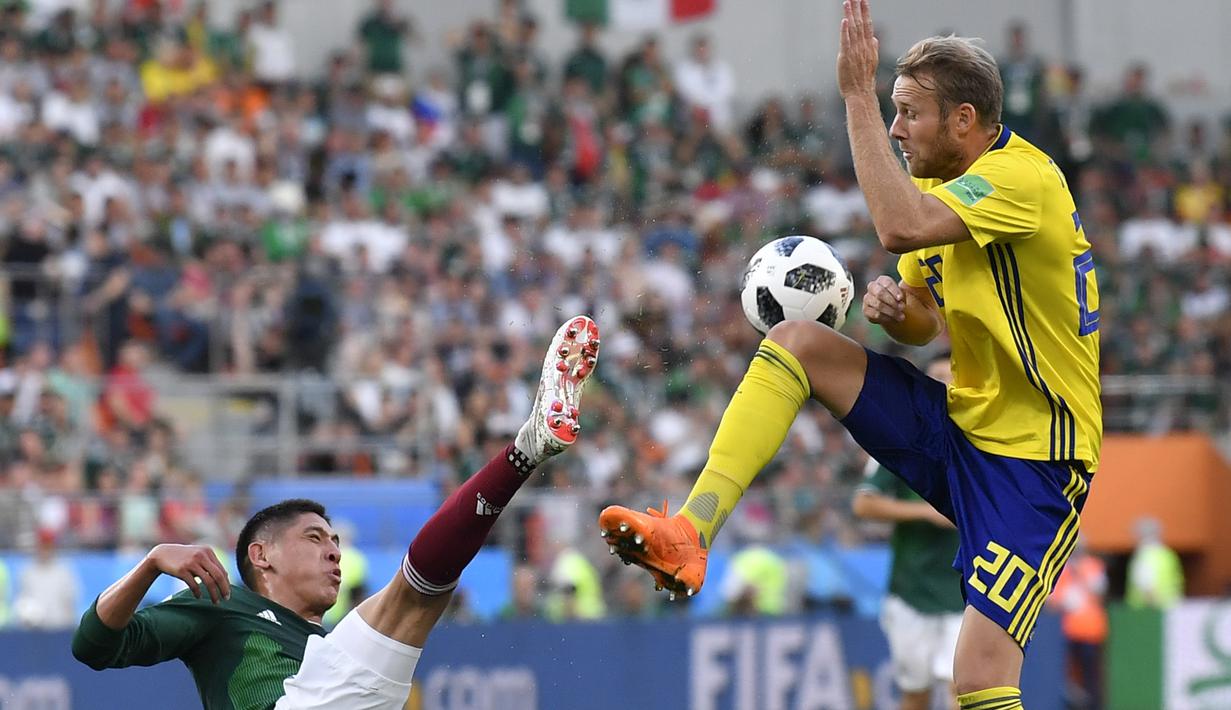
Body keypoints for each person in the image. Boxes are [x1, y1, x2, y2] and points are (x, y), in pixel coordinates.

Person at [599, 3, 1100, 710]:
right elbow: (925, 322)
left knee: (980, 678)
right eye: (890, 111)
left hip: (1035, 465)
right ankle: (688, 532)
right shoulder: (939, 189)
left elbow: (897, 228)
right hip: (960, 427)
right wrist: (907, 313)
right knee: (796, 343)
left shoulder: (1022, 178)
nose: (894, 128)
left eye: (907, 113)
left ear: (963, 121)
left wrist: (854, 94)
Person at [73, 315, 601, 709]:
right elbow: (93, 646)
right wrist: (151, 563)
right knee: (411, 601)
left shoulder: (327, 648)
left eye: (334, 542)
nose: (333, 552)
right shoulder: (221, 603)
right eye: (314, 538)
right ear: (262, 555)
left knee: (416, 608)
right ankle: (525, 450)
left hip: (339, 691)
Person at [852, 353, 962, 710]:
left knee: (962, 689)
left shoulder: (984, 440)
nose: (944, 384)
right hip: (912, 589)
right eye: (937, 377)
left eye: (951, 376)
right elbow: (863, 504)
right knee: (915, 694)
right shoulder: (901, 438)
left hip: (968, 590)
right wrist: (927, 512)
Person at [1125, 516, 1184, 610]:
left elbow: (1147, 587)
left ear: (1139, 535)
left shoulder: (1145, 556)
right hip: (1172, 609)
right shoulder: (1167, 554)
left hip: (1145, 612)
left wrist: (1152, 612)